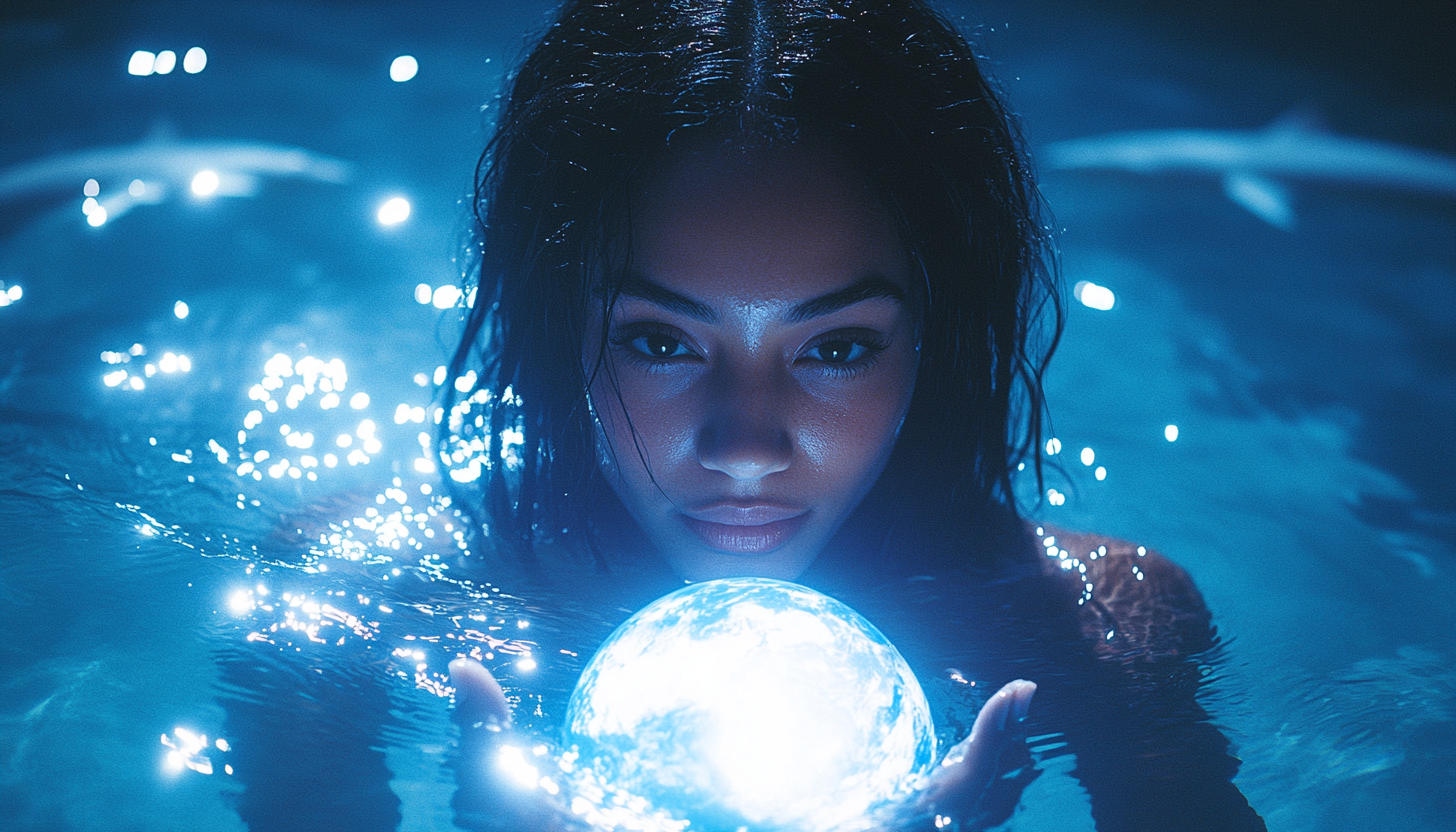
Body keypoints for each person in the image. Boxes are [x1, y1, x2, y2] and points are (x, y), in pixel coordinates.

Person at [442, 1, 1267, 830]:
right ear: (558, 327)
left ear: (934, 345)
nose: (747, 450)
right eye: (660, 341)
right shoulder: (394, 598)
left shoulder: (1102, 625)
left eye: (836, 348)